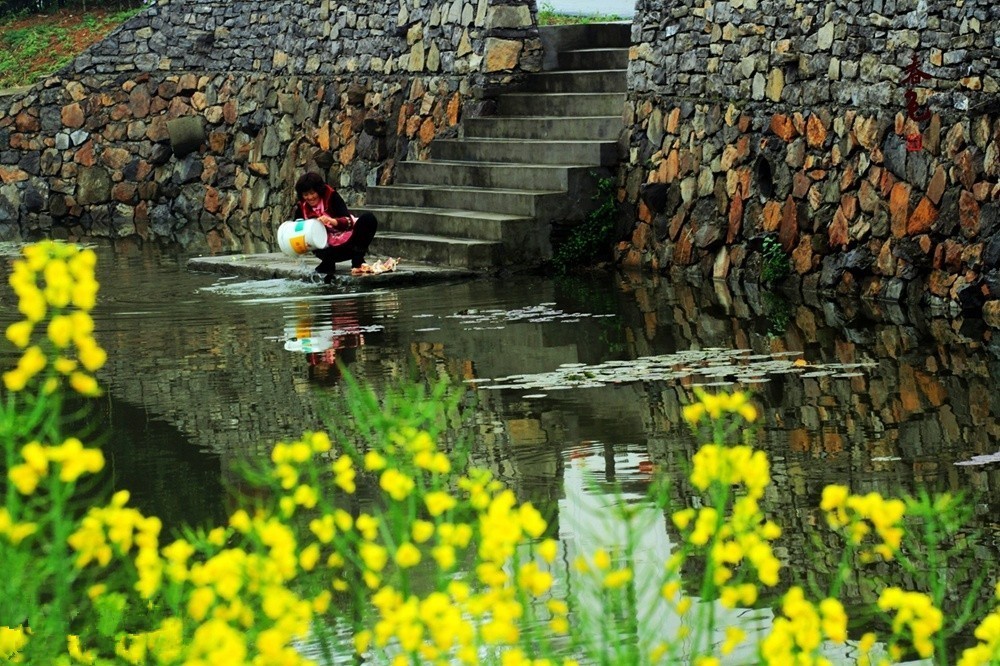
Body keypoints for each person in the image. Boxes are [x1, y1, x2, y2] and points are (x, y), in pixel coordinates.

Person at [290, 172, 378, 280]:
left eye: (312, 193)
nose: (310, 197)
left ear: (319, 190)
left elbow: (348, 221)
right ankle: (327, 263)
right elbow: (297, 229)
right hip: (326, 249)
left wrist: (332, 221)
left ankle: (357, 260)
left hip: (348, 243)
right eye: (306, 194)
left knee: (368, 219)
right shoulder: (302, 207)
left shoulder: (331, 196)